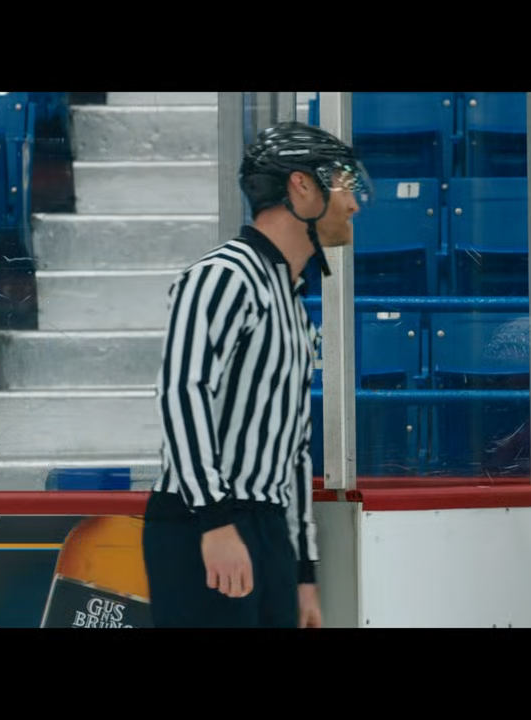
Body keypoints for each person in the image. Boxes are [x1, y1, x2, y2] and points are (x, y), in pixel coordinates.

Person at [141, 121, 370, 627]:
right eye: (343, 186)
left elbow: (293, 449)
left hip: (265, 526)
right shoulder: (224, 276)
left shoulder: (290, 302)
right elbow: (182, 391)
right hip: (203, 519)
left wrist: (302, 571)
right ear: (301, 186)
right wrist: (214, 523)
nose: (353, 204)